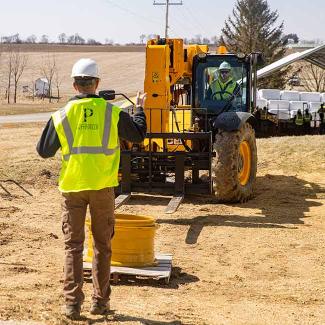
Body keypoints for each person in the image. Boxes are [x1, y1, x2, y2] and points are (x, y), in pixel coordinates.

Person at [36, 58, 147, 320]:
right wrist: (139, 110)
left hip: (73, 189)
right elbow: (138, 135)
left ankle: (72, 305)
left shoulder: (62, 115)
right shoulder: (112, 112)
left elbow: (43, 151)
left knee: (73, 247)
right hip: (102, 188)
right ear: (97, 84)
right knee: (102, 246)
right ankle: (100, 302)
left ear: (74, 85)